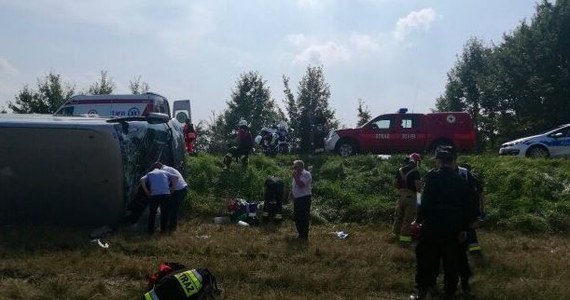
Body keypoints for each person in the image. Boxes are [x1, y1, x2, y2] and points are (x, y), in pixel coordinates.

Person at [410, 149, 473, 300]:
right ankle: (449, 292)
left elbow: (426, 203)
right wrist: (464, 228)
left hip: (434, 224)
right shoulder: (461, 181)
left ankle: (424, 290)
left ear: (439, 161)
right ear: (452, 162)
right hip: (454, 226)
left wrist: (418, 220)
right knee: (451, 261)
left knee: (427, 258)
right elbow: (468, 207)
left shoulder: (433, 177)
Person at [392, 153, 422, 246]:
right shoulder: (415, 172)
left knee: (398, 217)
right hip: (410, 197)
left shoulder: (400, 170)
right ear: (416, 162)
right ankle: (404, 240)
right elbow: (418, 188)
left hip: (400, 196)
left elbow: (395, 184)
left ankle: (395, 236)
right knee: (407, 219)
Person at [140, 162, 178, 235]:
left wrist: (147, 192)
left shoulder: (150, 173)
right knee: (164, 213)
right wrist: (172, 190)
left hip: (154, 195)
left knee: (152, 213)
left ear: (153, 168)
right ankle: (163, 232)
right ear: (159, 168)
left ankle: (150, 232)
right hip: (165, 194)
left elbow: (142, 180)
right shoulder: (165, 172)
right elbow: (176, 177)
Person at [159, 163, 188, 233]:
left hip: (179, 190)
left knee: (173, 210)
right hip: (180, 189)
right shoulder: (168, 168)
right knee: (171, 209)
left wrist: (170, 192)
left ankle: (171, 230)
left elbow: (175, 178)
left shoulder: (164, 170)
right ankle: (169, 229)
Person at [291, 160, 312, 240]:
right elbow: (294, 186)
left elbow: (301, 185)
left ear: (301, 166)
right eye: (294, 167)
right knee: (297, 217)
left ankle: (304, 236)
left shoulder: (306, 174)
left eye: (296, 167)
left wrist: (295, 177)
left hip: (304, 198)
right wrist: (291, 194)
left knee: (303, 217)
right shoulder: (297, 174)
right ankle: (300, 234)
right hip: (297, 199)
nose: (294, 168)